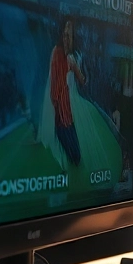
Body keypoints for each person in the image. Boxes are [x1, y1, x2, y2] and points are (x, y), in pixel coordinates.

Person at [49, 19, 87, 165]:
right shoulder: (56, 53)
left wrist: (83, 76)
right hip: (57, 106)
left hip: (65, 109)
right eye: (64, 35)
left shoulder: (71, 59)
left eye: (69, 36)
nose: (66, 39)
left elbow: (82, 79)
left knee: (76, 156)